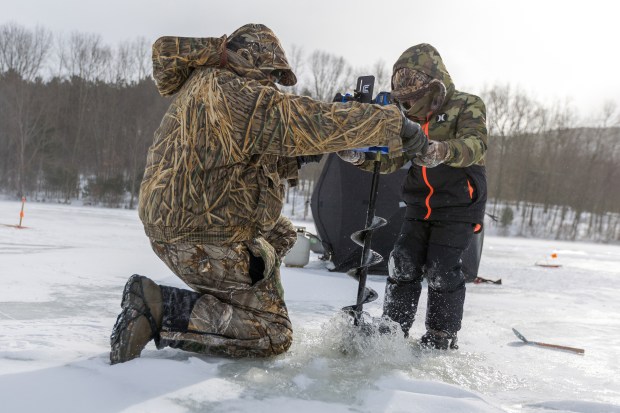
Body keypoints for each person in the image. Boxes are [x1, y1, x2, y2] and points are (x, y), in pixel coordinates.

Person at [109, 23, 429, 364]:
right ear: (256, 59)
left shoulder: (203, 85)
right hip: (198, 236)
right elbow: (302, 121)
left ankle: (241, 301)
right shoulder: (232, 91)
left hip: (184, 223)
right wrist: (393, 124)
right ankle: (160, 307)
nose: (272, 83)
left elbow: (251, 149)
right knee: (273, 334)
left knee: (281, 232)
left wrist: (307, 151)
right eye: (271, 74)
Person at [338, 43, 488, 349]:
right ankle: (393, 329)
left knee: (442, 267)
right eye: (404, 100)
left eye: (414, 98)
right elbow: (391, 158)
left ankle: (440, 335)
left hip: (459, 204)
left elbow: (476, 144)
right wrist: (357, 157)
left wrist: (443, 150)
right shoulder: (406, 120)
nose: (410, 105)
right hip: (420, 203)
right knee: (403, 262)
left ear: (433, 87)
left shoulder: (467, 104)